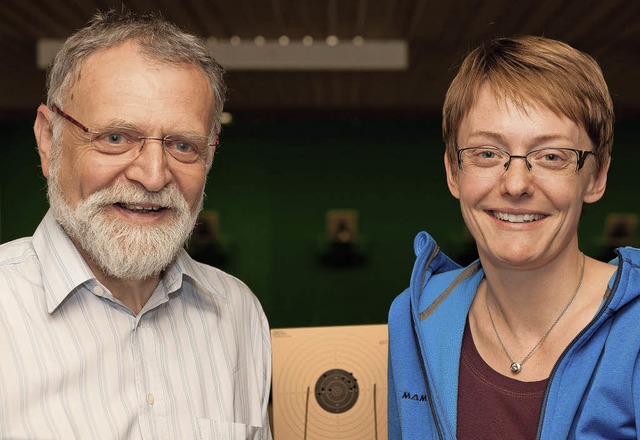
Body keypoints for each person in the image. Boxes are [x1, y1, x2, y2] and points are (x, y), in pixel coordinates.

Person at [0, 9, 272, 439]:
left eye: (183, 145)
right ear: (49, 140)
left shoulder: (238, 313)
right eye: (116, 138)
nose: (152, 175)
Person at [388, 35, 640, 439]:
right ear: (454, 172)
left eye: (552, 156)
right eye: (487, 153)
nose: (516, 184)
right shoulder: (415, 317)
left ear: (596, 176)